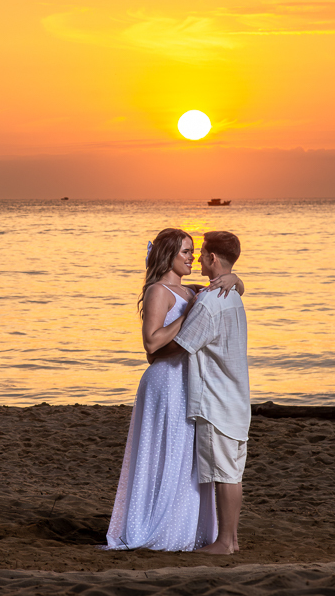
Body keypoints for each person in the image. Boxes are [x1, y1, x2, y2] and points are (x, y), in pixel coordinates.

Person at [104, 228, 242, 552]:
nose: (191, 257)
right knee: (164, 453)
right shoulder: (158, 291)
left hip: (188, 382)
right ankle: (156, 523)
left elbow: (225, 291)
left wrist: (236, 281)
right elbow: (151, 345)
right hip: (164, 382)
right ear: (167, 255)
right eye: (184, 252)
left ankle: (184, 524)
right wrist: (189, 319)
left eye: (193, 252)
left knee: (186, 458)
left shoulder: (193, 291)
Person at [149, 230, 249, 554]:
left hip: (216, 397)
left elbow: (183, 344)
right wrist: (236, 279)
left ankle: (225, 541)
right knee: (232, 471)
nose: (197, 257)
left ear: (213, 259)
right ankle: (230, 539)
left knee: (224, 474)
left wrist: (154, 356)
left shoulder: (208, 300)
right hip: (237, 396)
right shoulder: (231, 295)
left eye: (201, 252)